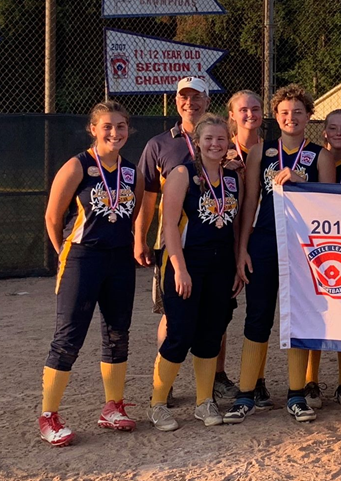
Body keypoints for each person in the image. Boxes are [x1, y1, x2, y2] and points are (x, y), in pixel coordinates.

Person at [226, 84, 336, 424]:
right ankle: (245, 394)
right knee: (257, 316)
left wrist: (305, 182)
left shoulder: (321, 155)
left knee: (300, 317)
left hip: (304, 246)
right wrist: (242, 248)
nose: (291, 117)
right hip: (265, 240)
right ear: (276, 115)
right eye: (285, 112)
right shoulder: (261, 151)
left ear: (308, 116)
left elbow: (331, 205)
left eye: (298, 112)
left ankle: (296, 394)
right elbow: (248, 204)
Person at [39, 101, 143, 446]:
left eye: (121, 126)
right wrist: (65, 253)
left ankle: (112, 407)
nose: (115, 133)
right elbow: (53, 217)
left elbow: (135, 211)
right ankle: (49, 415)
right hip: (82, 257)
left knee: (117, 333)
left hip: (119, 259)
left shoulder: (131, 172)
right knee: (68, 337)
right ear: (94, 129)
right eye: (108, 126)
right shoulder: (76, 166)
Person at [134, 77, 238, 405]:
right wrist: (140, 237)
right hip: (177, 247)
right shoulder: (160, 145)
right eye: (184, 97)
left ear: (208, 101)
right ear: (177, 101)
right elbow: (149, 197)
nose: (190, 103)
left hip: (217, 250)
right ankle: (165, 388)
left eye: (197, 97)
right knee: (174, 316)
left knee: (215, 318)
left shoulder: (229, 153)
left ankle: (213, 381)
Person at [147, 113, 244, 432]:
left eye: (221, 139)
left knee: (211, 333)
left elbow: (234, 224)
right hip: (185, 261)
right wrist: (179, 269)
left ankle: (205, 402)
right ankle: (158, 404)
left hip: (220, 263)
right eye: (209, 139)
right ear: (197, 143)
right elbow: (170, 227)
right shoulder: (182, 174)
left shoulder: (233, 178)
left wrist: (235, 264)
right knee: (180, 332)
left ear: (229, 141)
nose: (216, 144)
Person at [306, 108, 341, 409]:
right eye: (333, 128)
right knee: (316, 311)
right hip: (317, 242)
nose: (339, 133)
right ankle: (310, 381)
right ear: (324, 132)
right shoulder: (313, 159)